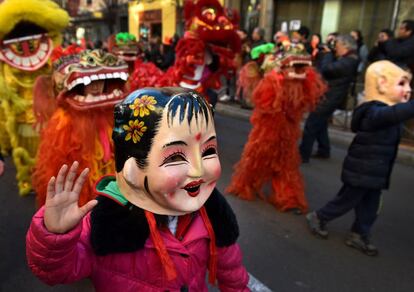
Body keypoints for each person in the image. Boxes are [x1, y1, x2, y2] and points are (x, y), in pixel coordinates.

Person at [26, 87, 249, 290]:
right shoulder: (105, 223)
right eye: (177, 156)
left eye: (208, 151)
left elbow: (231, 273)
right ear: (132, 168)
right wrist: (55, 236)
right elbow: (55, 272)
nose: (199, 171)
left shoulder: (211, 213)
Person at [306, 60, 413, 256]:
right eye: (402, 84)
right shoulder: (374, 111)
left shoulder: (390, 111)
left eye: (409, 84)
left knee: (371, 206)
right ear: (381, 84)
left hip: (376, 171)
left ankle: (359, 233)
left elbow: (396, 114)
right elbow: (393, 114)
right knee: (347, 200)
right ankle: (319, 216)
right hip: (363, 169)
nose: (408, 89)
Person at [299, 34, 359, 162]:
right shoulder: (347, 59)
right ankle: (324, 150)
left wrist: (328, 55)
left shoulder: (349, 61)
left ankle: (303, 154)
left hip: (330, 97)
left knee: (312, 124)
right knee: (321, 124)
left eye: (336, 46)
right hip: (331, 95)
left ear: (345, 46)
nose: (335, 49)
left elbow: (326, 70)